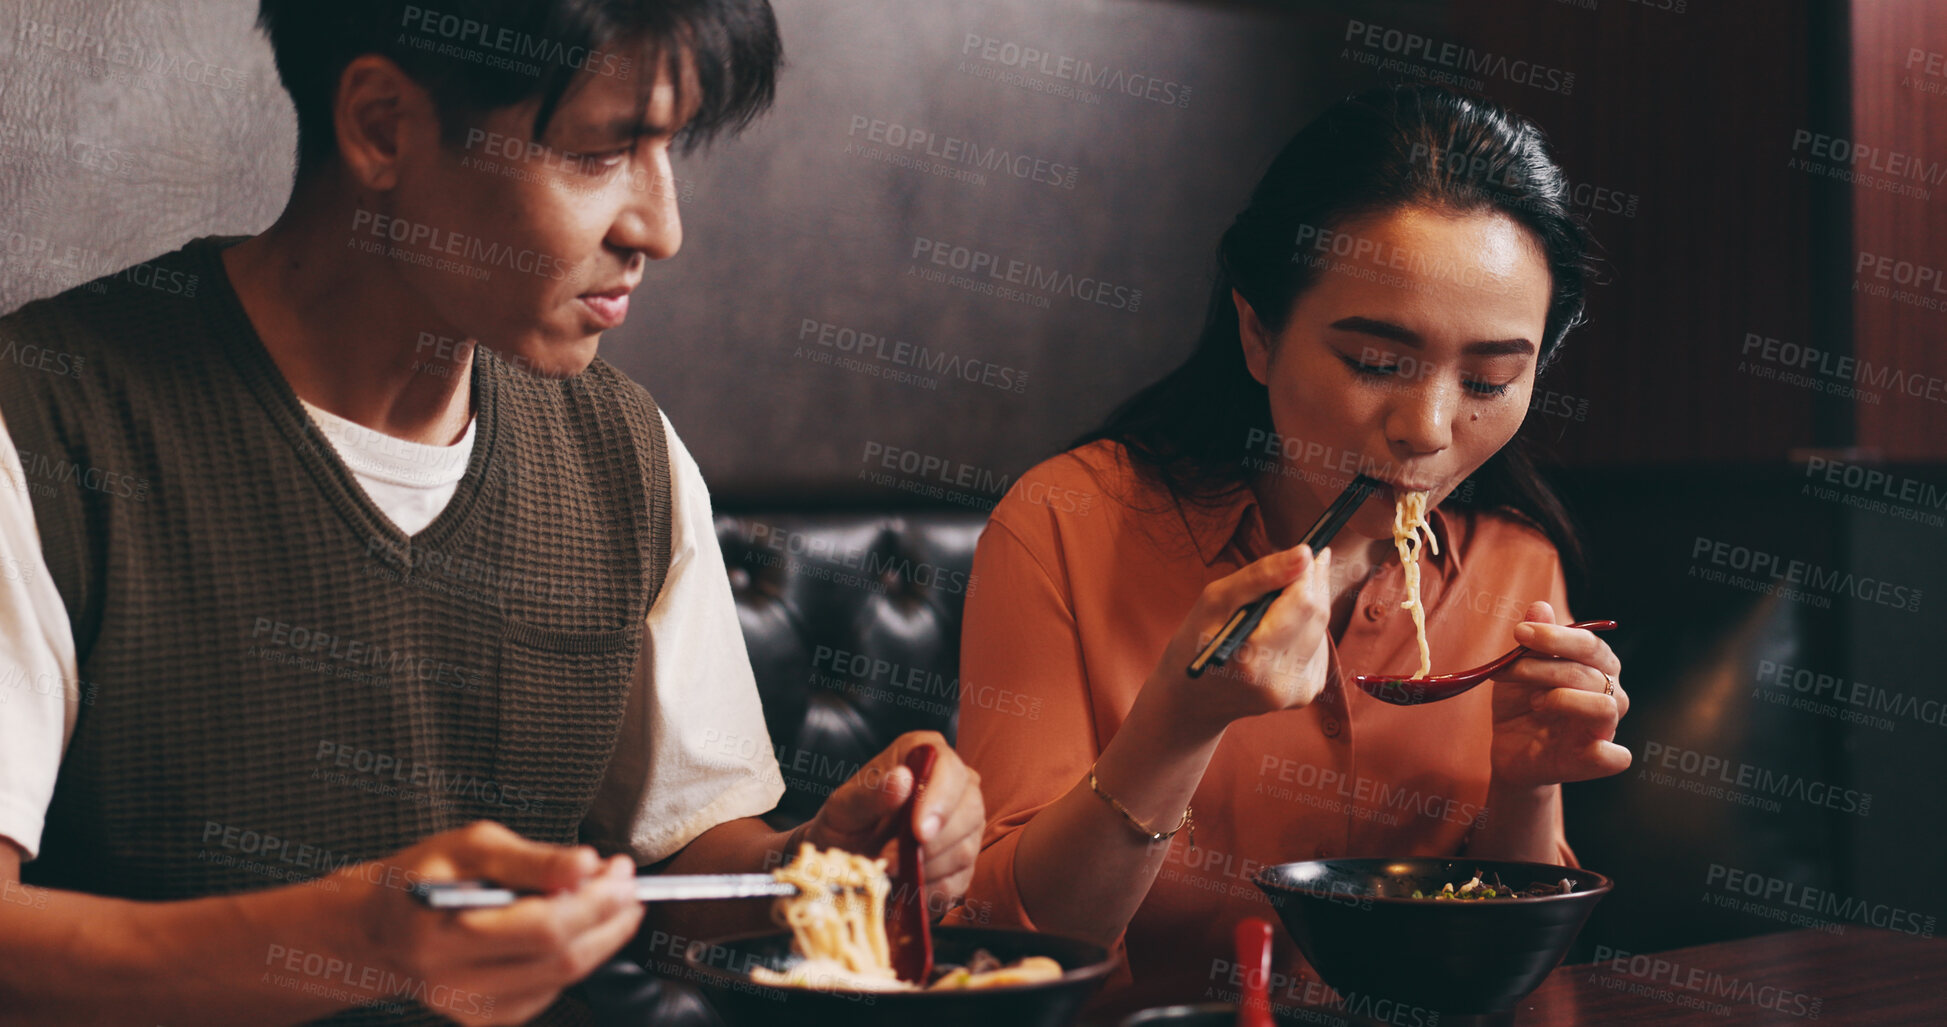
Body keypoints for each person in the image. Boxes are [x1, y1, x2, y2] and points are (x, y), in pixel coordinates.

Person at [0, 2, 983, 1024]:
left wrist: (821, 861)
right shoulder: (45, 417)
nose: (662, 228)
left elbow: (688, 870)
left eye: (670, 150)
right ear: (383, 126)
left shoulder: (622, 450)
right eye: (604, 153)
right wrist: (352, 941)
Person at [947, 84, 1631, 1017]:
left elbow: (1500, 983)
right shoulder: (1067, 523)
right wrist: (1175, 726)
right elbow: (1001, 952)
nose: (1427, 429)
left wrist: (1524, 785)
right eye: (1376, 364)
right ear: (1257, 334)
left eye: (1488, 378)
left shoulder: (1515, 567)